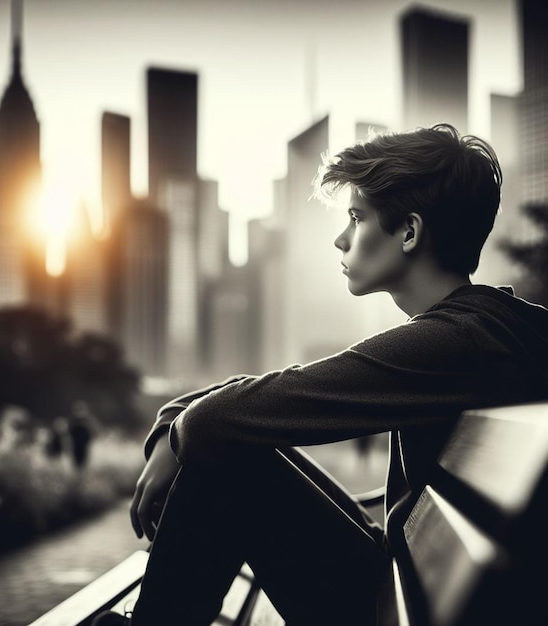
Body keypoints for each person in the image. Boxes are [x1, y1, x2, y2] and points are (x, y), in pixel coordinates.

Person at [93, 124, 548, 626]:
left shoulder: (451, 343)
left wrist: (179, 430)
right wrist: (181, 417)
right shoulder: (488, 326)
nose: (340, 238)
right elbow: (260, 404)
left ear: (410, 233)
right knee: (237, 442)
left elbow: (229, 417)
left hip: (385, 609)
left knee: (231, 458)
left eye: (356, 217)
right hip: (399, 587)